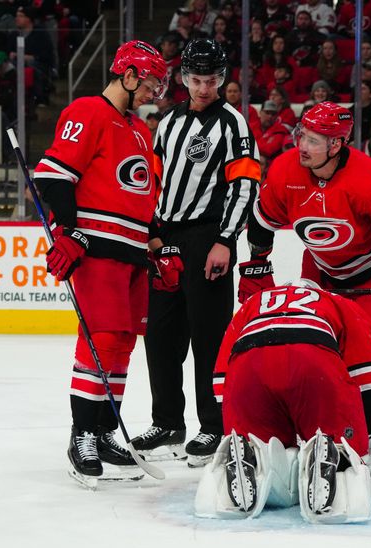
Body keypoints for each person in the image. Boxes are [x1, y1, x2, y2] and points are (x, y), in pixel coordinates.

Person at [238, 102, 371, 475]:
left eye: (312, 139)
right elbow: (262, 221)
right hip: (322, 270)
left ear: (337, 144)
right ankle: (322, 426)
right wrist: (258, 265)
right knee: (313, 345)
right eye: (301, 135)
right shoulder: (285, 170)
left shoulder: (369, 180)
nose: (301, 145)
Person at [31, 40, 168, 487]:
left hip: (132, 252)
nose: (152, 92)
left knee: (123, 342)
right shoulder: (87, 111)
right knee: (101, 339)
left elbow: (140, 193)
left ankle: (107, 430)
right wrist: (68, 232)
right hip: (97, 248)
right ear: (127, 74)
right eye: (147, 83)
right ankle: (82, 433)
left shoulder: (139, 130)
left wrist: (156, 245)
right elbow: (53, 176)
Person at [131, 38, 260, 468]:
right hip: (166, 237)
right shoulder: (167, 123)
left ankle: (214, 424)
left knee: (210, 337)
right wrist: (150, 233)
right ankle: (167, 421)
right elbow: (153, 181)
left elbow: (245, 187)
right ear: (183, 79)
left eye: (211, 80)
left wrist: (226, 240)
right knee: (161, 335)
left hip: (209, 237)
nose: (203, 88)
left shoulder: (235, 124)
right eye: (196, 80)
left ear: (222, 79)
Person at [195, 279, 371, 522]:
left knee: (263, 446)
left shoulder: (254, 302)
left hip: (248, 368)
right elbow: (370, 373)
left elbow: (222, 372)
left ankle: (251, 455)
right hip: (311, 361)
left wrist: (231, 423)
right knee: (339, 445)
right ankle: (336, 460)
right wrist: (363, 438)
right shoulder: (337, 301)